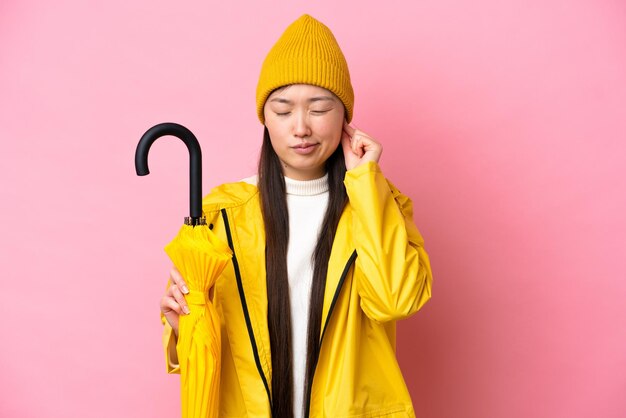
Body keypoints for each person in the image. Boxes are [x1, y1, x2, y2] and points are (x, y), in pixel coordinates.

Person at [159, 14, 433, 418]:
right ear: (264, 119)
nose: (301, 127)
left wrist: (366, 183)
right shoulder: (221, 217)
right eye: (283, 110)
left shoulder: (378, 205)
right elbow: (198, 347)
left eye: (319, 108)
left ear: (345, 118)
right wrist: (181, 330)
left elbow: (395, 300)